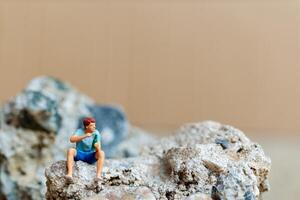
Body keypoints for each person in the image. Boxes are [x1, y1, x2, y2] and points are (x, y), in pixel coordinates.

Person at [65, 117, 105, 183]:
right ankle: (69, 174)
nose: (94, 127)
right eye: (92, 125)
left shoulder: (96, 133)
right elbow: (72, 140)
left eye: (94, 125)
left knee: (102, 153)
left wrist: (97, 147)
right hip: (80, 154)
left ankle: (98, 176)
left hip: (90, 156)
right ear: (86, 126)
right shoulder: (79, 131)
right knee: (70, 150)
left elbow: (98, 149)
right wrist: (85, 135)